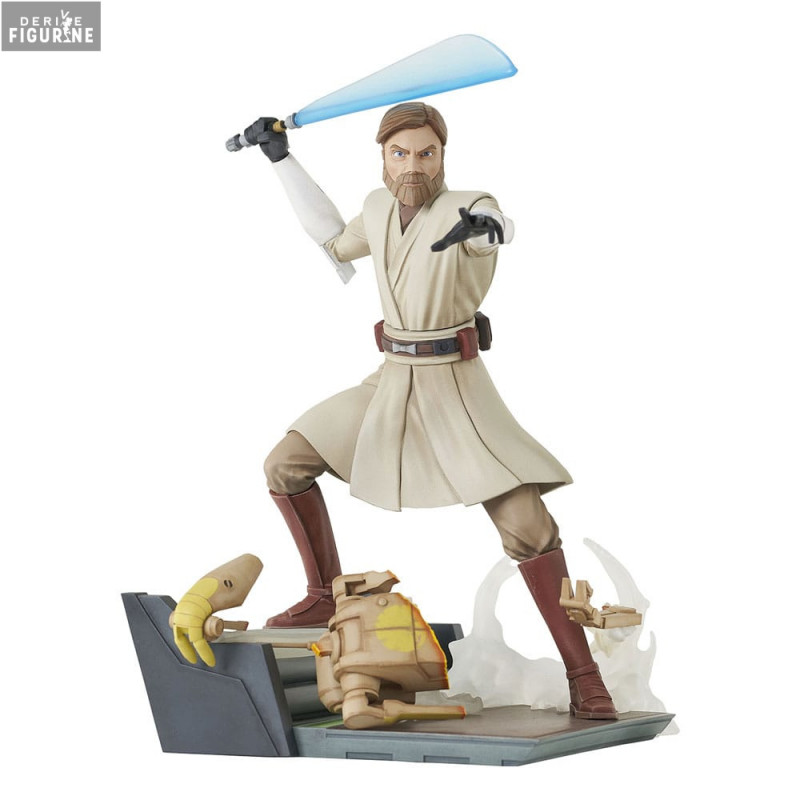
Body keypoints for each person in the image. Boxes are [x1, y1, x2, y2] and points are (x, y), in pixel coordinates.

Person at [249, 103, 617, 719]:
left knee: (528, 527)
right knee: (285, 464)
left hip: (456, 391)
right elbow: (334, 241)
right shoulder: (377, 208)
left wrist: (487, 228)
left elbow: (492, 227)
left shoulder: (466, 206)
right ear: (383, 157)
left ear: (443, 156)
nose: (413, 166)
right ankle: (322, 594)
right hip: (392, 382)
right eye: (400, 154)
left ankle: (585, 676)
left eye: (426, 153)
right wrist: (282, 160)